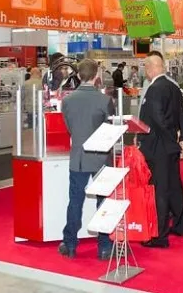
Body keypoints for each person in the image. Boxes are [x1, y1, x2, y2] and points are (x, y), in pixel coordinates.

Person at [58, 59, 114, 261]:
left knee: (75, 201)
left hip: (78, 158)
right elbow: (111, 128)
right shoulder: (104, 100)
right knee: (103, 202)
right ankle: (105, 246)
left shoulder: (67, 100)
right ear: (96, 75)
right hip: (101, 158)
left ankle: (70, 244)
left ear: (79, 75)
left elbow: (69, 127)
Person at [137, 54, 183, 248]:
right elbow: (182, 114)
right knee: (174, 186)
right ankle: (180, 225)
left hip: (158, 146)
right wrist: (182, 138)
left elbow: (157, 118)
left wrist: (169, 137)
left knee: (160, 190)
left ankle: (160, 236)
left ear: (150, 68)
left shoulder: (154, 89)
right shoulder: (173, 87)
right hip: (169, 146)